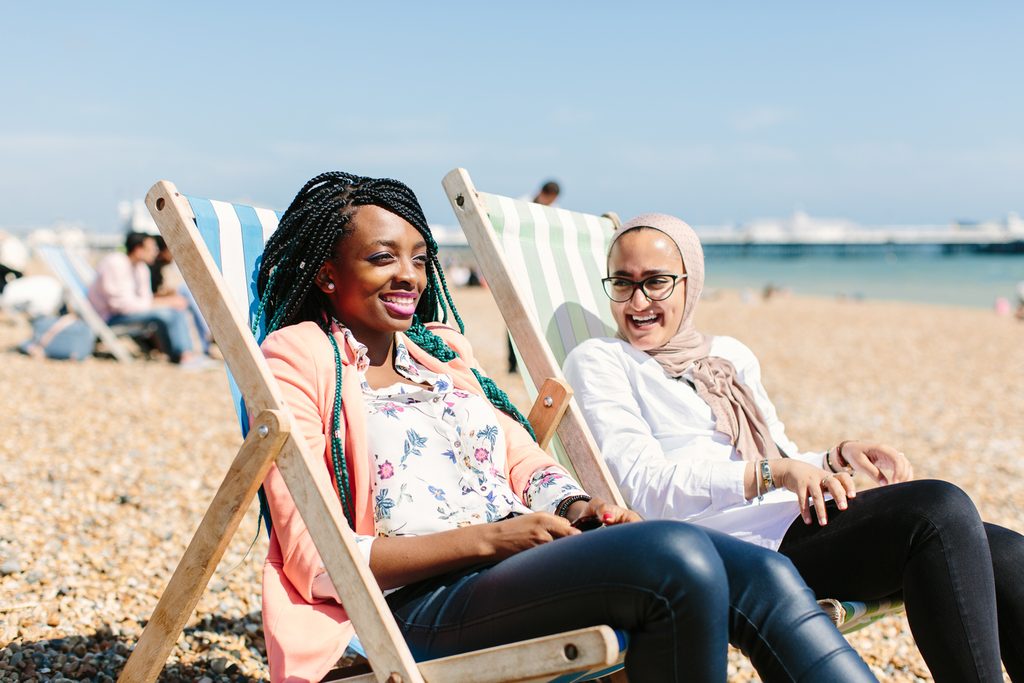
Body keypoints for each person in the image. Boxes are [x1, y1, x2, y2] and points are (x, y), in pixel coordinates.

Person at [252, 173, 877, 683]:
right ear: (328, 275)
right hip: (412, 606)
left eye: (419, 258)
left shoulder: (437, 354)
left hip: (514, 570)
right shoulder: (297, 359)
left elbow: (523, 461)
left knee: (756, 570)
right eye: (381, 258)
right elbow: (317, 563)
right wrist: (493, 540)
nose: (409, 275)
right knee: (674, 556)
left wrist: (577, 505)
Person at [563, 212, 1024, 683]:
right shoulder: (601, 360)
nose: (638, 301)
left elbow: (776, 451)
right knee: (937, 508)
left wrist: (835, 458)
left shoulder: (728, 354)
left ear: (690, 282)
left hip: (786, 521)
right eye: (622, 284)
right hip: (725, 549)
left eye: (656, 282)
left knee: (1005, 551)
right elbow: (644, 488)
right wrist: (773, 474)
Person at [87, 232, 201, 365]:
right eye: (152, 248)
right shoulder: (115, 264)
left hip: (124, 313)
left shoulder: (141, 268)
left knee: (172, 309)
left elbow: (144, 299)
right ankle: (184, 356)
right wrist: (164, 303)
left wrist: (164, 302)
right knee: (166, 313)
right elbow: (121, 306)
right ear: (138, 250)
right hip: (108, 317)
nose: (156, 252)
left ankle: (180, 356)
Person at [509, 180, 562, 372]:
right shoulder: (521, 206)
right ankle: (513, 363)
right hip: (517, 264)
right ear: (542, 192)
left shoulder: (553, 211)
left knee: (536, 316)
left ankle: (531, 362)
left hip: (537, 268)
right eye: (548, 198)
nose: (549, 202)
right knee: (515, 315)